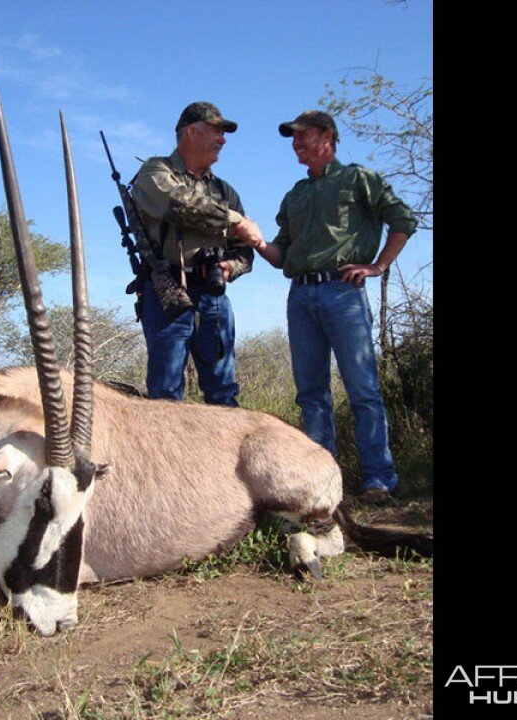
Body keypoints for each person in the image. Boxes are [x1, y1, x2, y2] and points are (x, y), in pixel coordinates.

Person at [236, 110, 417, 501]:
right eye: (292, 138)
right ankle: (321, 479)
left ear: (328, 137)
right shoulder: (295, 196)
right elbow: (281, 256)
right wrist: (254, 239)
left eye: (303, 135)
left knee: (362, 388)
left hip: (343, 292)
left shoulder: (358, 179)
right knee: (311, 392)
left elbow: (403, 220)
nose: (296, 144)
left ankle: (378, 479)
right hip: (300, 296)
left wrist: (378, 265)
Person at [130, 102, 263, 406]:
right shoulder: (155, 171)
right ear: (191, 131)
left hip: (213, 296)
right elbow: (181, 205)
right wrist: (235, 221)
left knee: (223, 391)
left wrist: (232, 266)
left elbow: (246, 251)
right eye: (217, 130)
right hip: (167, 294)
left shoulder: (225, 191)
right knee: (166, 392)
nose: (223, 139)